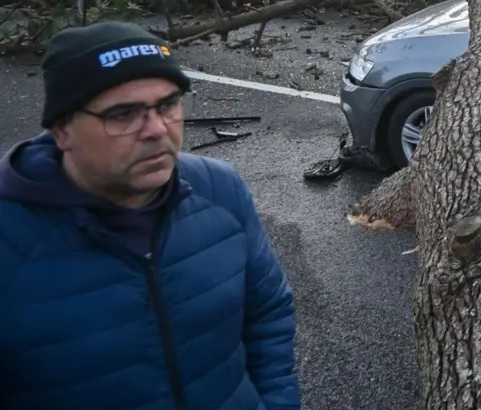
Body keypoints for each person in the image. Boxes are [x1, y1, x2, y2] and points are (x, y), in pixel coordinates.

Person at [0, 21, 301, 409]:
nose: (157, 129)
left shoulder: (221, 190)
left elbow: (267, 315)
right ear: (62, 130)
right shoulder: (11, 237)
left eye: (168, 105)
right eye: (124, 114)